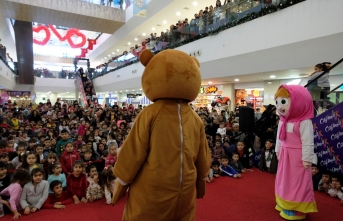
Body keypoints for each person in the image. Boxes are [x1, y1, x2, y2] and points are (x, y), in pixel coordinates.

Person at [112, 49, 211, 220]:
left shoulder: (150, 114)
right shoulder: (195, 119)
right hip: (185, 192)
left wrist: (121, 184)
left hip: (152, 193)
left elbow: (133, 153)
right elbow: (203, 156)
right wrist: (201, 181)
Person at [274, 85, 317, 220]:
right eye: (278, 102)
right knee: (284, 180)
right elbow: (279, 138)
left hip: (298, 157)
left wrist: (307, 158)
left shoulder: (304, 122)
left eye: (284, 102)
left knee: (298, 182)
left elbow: (308, 142)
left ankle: (298, 208)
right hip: (285, 155)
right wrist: (278, 150)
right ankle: (284, 203)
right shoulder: (282, 120)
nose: (280, 107)